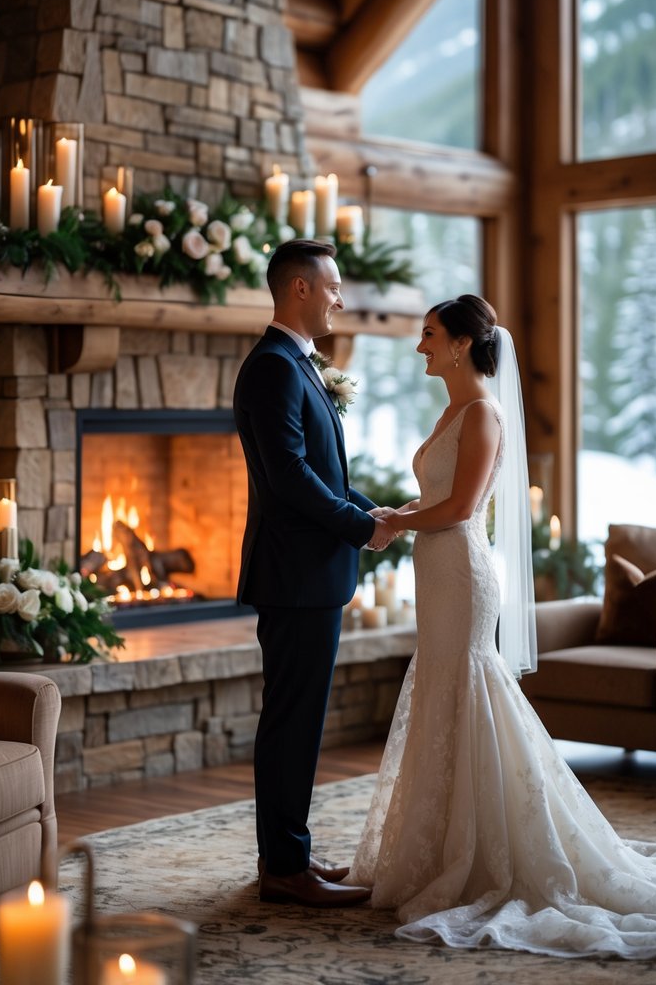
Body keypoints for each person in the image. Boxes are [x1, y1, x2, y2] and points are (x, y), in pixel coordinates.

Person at [349, 293, 656, 957]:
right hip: (435, 571)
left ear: (458, 344)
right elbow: (438, 498)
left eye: (428, 335)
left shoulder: (481, 412)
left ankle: (487, 850)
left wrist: (392, 522)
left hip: (460, 572)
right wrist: (401, 513)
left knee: (468, 686)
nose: (419, 346)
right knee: (441, 690)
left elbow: (461, 506)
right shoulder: (450, 408)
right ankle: (436, 845)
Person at [234, 238, 393, 908]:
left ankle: (289, 856)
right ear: (298, 289)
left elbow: (323, 476)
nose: (338, 299)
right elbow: (289, 478)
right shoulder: (272, 367)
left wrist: (370, 507)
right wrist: (360, 526)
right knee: (291, 723)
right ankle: (283, 871)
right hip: (296, 578)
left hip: (310, 574)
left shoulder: (295, 365)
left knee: (298, 722)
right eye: (330, 287)